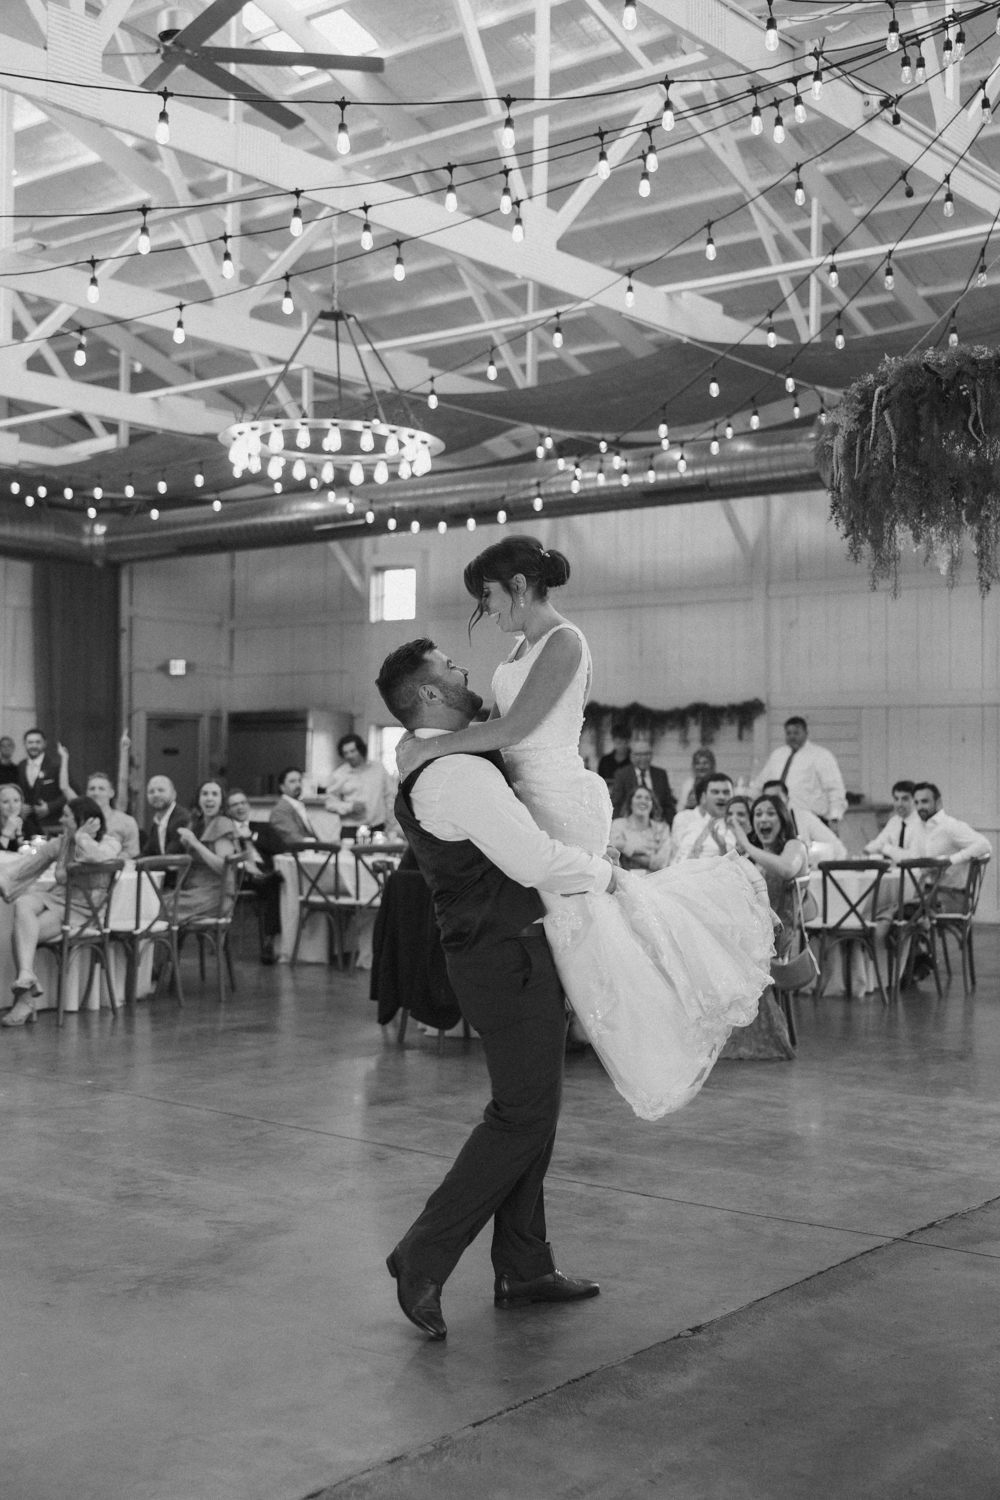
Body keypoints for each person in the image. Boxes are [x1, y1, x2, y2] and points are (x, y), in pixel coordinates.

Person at [394, 535, 772, 1123]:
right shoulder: (522, 648)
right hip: (528, 795)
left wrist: (429, 749)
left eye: (489, 597)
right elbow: (491, 721)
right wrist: (424, 742)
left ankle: (675, 1000)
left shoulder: (565, 642)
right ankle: (545, 1054)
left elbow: (514, 727)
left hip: (559, 798)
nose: (487, 610)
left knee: (593, 929)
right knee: (583, 935)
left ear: (519, 587)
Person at [377, 636, 617, 1340]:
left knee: (532, 1111)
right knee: (521, 1117)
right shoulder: (453, 773)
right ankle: (423, 1254)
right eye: (449, 668)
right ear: (427, 695)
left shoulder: (447, 761)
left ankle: (524, 1263)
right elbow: (531, 857)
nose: (463, 671)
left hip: (504, 951)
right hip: (501, 957)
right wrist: (611, 876)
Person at [3, 796, 120, 1026]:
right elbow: (26, 867)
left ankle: (24, 1002)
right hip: (57, 899)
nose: (61, 819)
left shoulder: (110, 842)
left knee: (22, 932)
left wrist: (82, 836)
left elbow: (95, 856)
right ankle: (27, 974)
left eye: (67, 815)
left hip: (83, 912)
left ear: (84, 820)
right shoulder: (61, 843)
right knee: (23, 905)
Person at [753, 716, 847, 831]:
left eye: (796, 733)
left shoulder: (821, 756)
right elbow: (760, 785)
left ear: (806, 733)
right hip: (779, 821)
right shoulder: (777, 755)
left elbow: (835, 789)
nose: (792, 736)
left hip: (812, 820)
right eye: (788, 733)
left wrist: (834, 818)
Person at [226, 788, 285, 964]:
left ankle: (269, 941)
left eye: (243, 803)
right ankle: (258, 876)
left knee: (275, 883)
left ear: (249, 806)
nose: (240, 807)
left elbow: (280, 849)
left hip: (263, 872)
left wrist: (252, 837)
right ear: (228, 810)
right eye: (234, 804)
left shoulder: (262, 827)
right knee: (272, 881)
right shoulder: (226, 830)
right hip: (239, 877)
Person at [912, 783, 992, 910]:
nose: (920, 807)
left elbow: (985, 845)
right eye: (916, 803)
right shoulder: (919, 827)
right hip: (927, 892)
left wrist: (951, 860)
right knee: (889, 914)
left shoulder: (950, 826)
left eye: (924, 801)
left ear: (938, 802)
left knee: (897, 917)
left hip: (951, 895)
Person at [174, 781, 241, 921]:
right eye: (205, 794)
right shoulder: (196, 823)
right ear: (198, 800)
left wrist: (195, 843)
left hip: (216, 895)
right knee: (153, 903)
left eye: (215, 794)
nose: (209, 798)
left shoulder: (223, 823)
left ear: (222, 802)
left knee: (161, 908)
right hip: (193, 891)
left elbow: (224, 867)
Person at [761, 779, 847, 864]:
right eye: (768, 799)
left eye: (777, 798)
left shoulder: (804, 818)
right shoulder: (759, 823)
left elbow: (838, 849)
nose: (773, 803)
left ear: (787, 799)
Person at [324, 734, 393, 838]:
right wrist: (349, 807)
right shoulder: (339, 774)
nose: (349, 756)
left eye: (353, 751)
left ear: (361, 750)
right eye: (345, 753)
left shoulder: (378, 768)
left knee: (379, 855)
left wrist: (390, 821)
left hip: (377, 827)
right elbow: (329, 803)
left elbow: (390, 795)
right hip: (351, 829)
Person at [609, 729, 676, 824]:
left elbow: (668, 804)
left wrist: (671, 825)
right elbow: (616, 804)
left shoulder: (661, 774)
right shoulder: (622, 775)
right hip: (630, 825)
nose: (643, 758)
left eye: (646, 754)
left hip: (656, 824)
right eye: (639, 755)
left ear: (651, 755)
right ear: (631, 757)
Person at [671, 774, 737, 861]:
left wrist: (722, 846)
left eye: (726, 792)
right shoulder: (687, 820)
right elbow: (678, 854)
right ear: (704, 796)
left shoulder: (736, 824)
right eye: (715, 792)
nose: (721, 797)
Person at [609, 786, 672, 871]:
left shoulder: (662, 828)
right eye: (638, 797)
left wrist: (625, 850)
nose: (643, 801)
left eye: (647, 798)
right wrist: (647, 852)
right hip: (624, 879)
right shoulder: (618, 824)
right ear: (630, 802)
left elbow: (661, 863)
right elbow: (613, 851)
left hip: (654, 880)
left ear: (652, 804)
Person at [17, 728, 66, 836]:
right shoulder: (20, 766)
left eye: (38, 742)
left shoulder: (56, 765)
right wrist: (19, 807)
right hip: (26, 827)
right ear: (24, 744)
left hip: (51, 825)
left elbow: (71, 793)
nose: (34, 746)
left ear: (44, 744)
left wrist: (50, 807)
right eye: (30, 742)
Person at [84, 771, 141, 859]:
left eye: (101, 789)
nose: (96, 793)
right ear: (87, 794)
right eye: (92, 789)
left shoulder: (127, 821)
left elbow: (131, 852)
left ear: (111, 793)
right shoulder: (77, 820)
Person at [865, 780, 925, 862]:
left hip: (915, 872)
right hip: (896, 870)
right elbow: (879, 842)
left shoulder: (922, 823)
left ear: (915, 801)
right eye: (896, 799)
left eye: (905, 799)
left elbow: (912, 858)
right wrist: (866, 852)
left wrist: (886, 848)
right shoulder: (894, 821)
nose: (899, 804)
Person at [140, 776, 190, 857]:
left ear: (174, 794)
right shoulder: (157, 821)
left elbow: (170, 857)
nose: (155, 795)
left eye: (161, 790)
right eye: (151, 792)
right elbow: (147, 853)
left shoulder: (182, 819)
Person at [269, 767, 318, 844]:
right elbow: (292, 838)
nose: (298, 785)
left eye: (300, 781)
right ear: (282, 787)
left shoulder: (298, 805)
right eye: (292, 781)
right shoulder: (280, 810)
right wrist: (319, 845)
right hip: (294, 853)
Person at [678, 747, 717, 812]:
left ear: (712, 765)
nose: (701, 767)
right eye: (697, 763)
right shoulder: (688, 784)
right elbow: (680, 808)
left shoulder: (719, 783)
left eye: (705, 763)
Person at [0, 784, 26, 852]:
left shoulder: (28, 824)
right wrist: (7, 832)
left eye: (16, 801)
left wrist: (19, 834)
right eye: (5, 802)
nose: (12, 806)